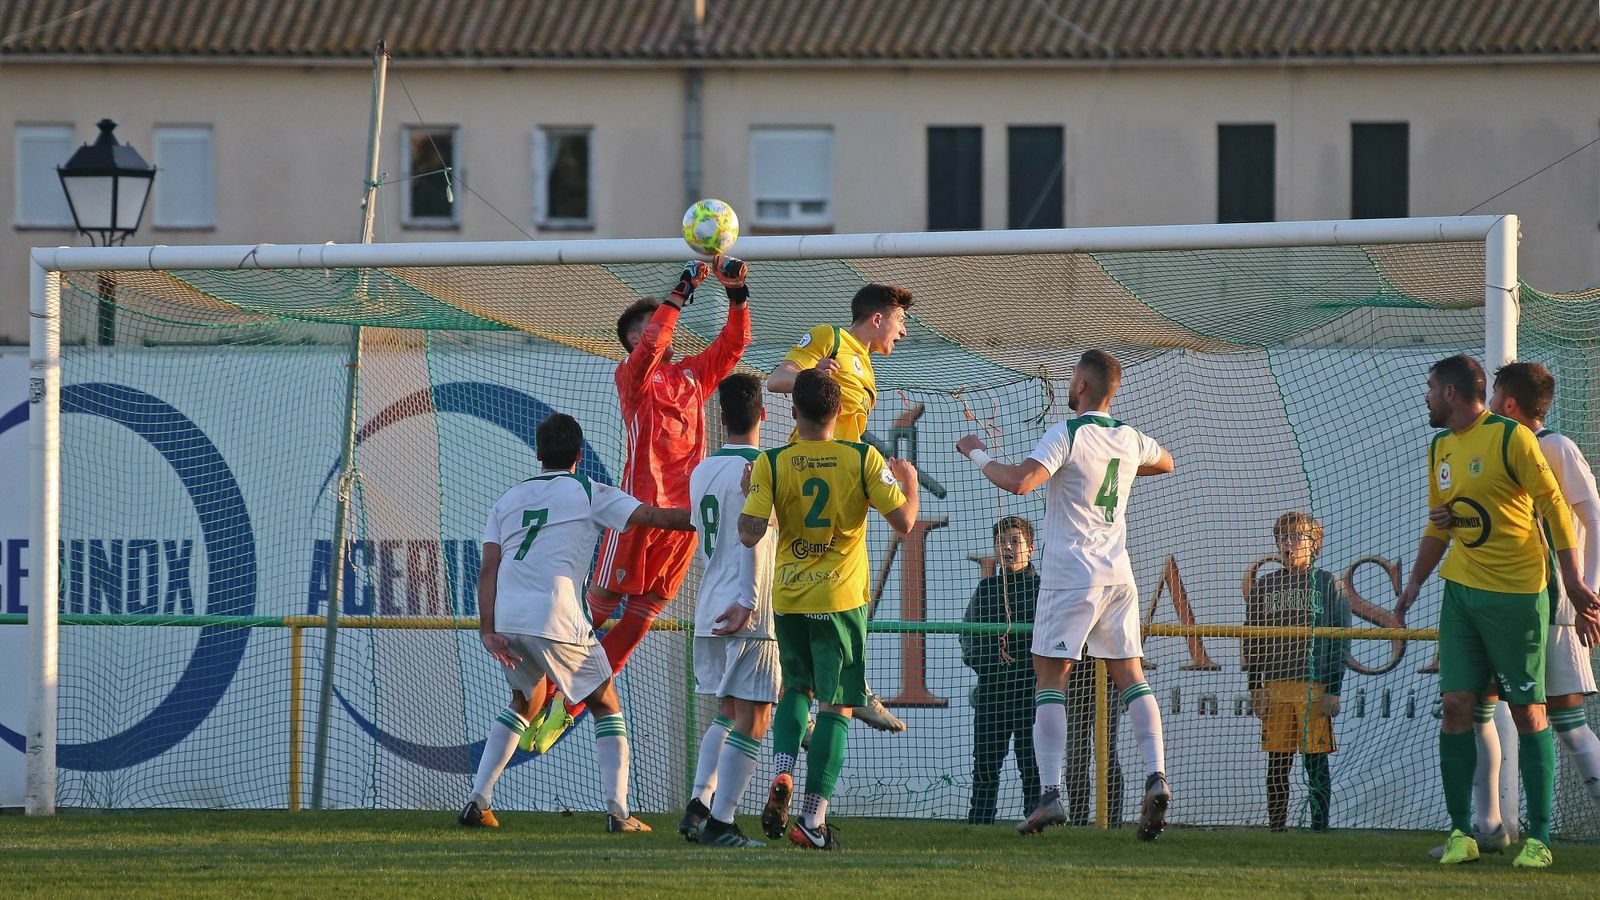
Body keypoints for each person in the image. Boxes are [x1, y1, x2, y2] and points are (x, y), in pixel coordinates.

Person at [524, 256, 752, 752]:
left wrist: (737, 294)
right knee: (589, 618)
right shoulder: (633, 378)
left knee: (637, 622)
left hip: (684, 522)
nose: (662, 333)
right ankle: (534, 701)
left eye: (662, 322)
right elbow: (654, 344)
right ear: (633, 340)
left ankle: (570, 706)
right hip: (637, 515)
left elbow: (735, 345)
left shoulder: (693, 376)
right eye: (649, 328)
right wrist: (680, 292)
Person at [956, 349, 1176, 842]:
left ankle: (1050, 794)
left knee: (1049, 680)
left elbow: (1017, 483)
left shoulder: (1068, 432)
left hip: (1071, 576)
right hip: (1119, 575)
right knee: (1131, 676)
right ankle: (1157, 774)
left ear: (1080, 386)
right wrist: (1109, 475)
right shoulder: (1129, 436)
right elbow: (1166, 461)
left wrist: (975, 450)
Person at [1395, 354, 1600, 868]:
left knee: (1537, 714)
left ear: (1449, 393)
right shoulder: (1440, 445)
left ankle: (1540, 838)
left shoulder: (1517, 439)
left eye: (1429, 387)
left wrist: (1577, 583)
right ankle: (1467, 831)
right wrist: (1414, 585)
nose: (1424, 396)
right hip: (1461, 595)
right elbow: (1440, 523)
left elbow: (1558, 509)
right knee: (1459, 706)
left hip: (1522, 598)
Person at [460, 413, 694, 833]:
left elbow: (488, 569)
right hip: (556, 617)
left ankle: (479, 800)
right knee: (607, 702)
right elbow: (656, 518)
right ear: (580, 456)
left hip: (509, 617)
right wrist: (709, 515)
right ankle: (619, 813)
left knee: (525, 703)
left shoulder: (507, 499)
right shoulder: (588, 491)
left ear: (538, 454)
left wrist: (487, 630)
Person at [738, 368, 920, 850]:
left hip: (791, 600)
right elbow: (904, 522)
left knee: (795, 688)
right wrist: (910, 484)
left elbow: (748, 533)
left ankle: (782, 773)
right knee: (837, 703)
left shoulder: (771, 463)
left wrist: (753, 496)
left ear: (793, 413)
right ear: (840, 412)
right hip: (840, 603)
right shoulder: (862, 456)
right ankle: (813, 819)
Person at [766, 282, 915, 735]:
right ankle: (831, 693)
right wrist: (813, 376)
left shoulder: (866, 363)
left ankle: (814, 697)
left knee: (850, 587)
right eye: (901, 321)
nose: (903, 332)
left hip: (842, 479)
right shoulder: (830, 337)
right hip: (810, 472)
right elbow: (776, 380)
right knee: (827, 586)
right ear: (877, 318)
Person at [677, 374, 780, 849]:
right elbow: (753, 536)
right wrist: (751, 601)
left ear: (720, 418)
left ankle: (700, 802)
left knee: (728, 711)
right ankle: (723, 822)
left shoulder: (700, 472)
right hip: (748, 611)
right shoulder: (765, 467)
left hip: (708, 608)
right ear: (763, 414)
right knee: (754, 718)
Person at [1243, 512, 1351, 832]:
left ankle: (1319, 829)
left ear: (1314, 543)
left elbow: (1340, 641)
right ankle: (1277, 828)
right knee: (1277, 765)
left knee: (1315, 764)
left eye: (1297, 537)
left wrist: (1334, 689)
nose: (1289, 545)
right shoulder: (1265, 585)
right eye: (1283, 539)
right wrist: (1256, 689)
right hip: (1275, 686)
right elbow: (1253, 641)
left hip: (1314, 686)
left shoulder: (1329, 583)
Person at [961, 516, 1041, 825]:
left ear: (1030, 549)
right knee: (985, 766)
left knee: (1032, 766)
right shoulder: (987, 588)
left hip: (1030, 695)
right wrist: (985, 664)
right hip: (991, 693)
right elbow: (967, 634)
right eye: (1001, 542)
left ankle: (1036, 821)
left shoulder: (1042, 588)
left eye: (1014, 541)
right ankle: (980, 823)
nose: (1007, 547)